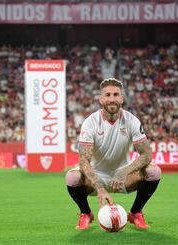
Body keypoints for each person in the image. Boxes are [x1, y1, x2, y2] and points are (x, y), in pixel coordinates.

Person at [65, 78, 161, 230]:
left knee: (154, 172)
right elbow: (83, 161)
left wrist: (124, 171)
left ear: (122, 98)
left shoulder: (132, 121)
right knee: (72, 177)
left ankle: (135, 213)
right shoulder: (90, 122)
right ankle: (86, 213)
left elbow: (146, 154)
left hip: (124, 177)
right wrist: (100, 188)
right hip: (96, 176)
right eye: (107, 95)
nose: (112, 99)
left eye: (116, 95)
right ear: (100, 99)